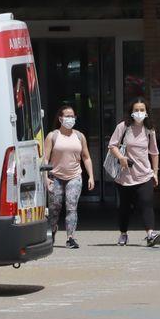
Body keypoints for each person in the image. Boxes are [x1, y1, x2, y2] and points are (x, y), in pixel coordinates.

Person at [108, 98, 160, 247]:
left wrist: (155, 172)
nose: (139, 113)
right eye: (136, 110)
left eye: (142, 110)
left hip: (145, 174)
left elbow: (154, 152)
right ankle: (123, 233)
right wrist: (121, 157)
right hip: (125, 176)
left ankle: (150, 234)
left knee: (147, 204)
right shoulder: (123, 127)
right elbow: (112, 146)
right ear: (131, 112)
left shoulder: (150, 130)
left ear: (147, 112)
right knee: (125, 207)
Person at [44, 105, 95, 249]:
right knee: (55, 208)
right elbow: (45, 159)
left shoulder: (79, 136)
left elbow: (86, 157)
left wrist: (91, 176)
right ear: (60, 118)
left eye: (72, 116)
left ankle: (70, 237)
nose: (70, 119)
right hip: (56, 177)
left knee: (71, 207)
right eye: (67, 116)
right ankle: (52, 232)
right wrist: (45, 177)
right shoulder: (53, 136)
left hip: (75, 176)